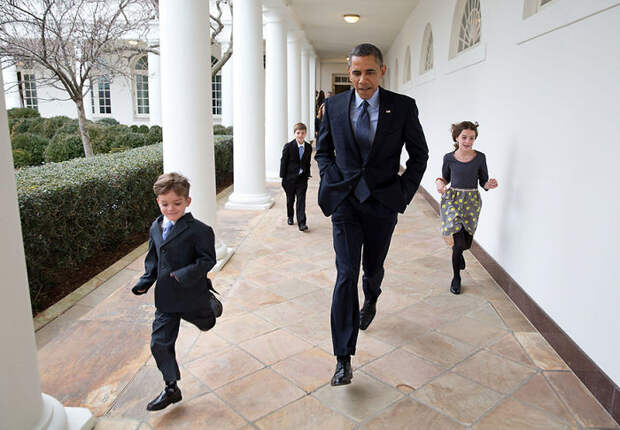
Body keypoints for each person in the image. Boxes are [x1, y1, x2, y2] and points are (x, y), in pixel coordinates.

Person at [315, 43, 428, 386]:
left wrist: (403, 192)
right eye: (355, 72)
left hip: (381, 204)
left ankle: (373, 296)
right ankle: (343, 358)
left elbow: (420, 155)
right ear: (348, 73)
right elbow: (322, 153)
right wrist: (333, 181)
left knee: (372, 269)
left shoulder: (402, 107)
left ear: (382, 71)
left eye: (369, 71)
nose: (362, 79)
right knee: (346, 274)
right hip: (346, 204)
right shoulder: (333, 106)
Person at [131, 172, 222, 411]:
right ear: (158, 202)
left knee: (207, 323)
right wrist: (145, 280)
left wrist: (183, 275)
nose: (170, 209)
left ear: (187, 202)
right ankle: (171, 388)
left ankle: (209, 304)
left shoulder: (200, 230)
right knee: (159, 343)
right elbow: (153, 258)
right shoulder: (155, 227)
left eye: (177, 203)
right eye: (165, 204)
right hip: (167, 299)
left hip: (191, 294)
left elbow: (207, 260)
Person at [435, 121, 498, 294]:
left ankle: (460, 253)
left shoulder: (480, 157)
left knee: (466, 242)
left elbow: (483, 181)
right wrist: (439, 183)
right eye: (464, 137)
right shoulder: (448, 157)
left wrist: (488, 184)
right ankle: (456, 278)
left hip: (471, 201)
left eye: (471, 138)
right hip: (452, 200)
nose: (468, 141)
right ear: (456, 137)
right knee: (457, 241)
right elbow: (444, 178)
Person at [280, 122, 312, 231]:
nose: (300, 135)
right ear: (294, 133)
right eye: (298, 133)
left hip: (302, 179)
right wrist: (283, 178)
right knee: (290, 200)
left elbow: (307, 162)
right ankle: (290, 216)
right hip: (289, 179)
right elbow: (283, 162)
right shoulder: (288, 146)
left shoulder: (308, 147)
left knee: (301, 201)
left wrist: (307, 174)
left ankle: (302, 223)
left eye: (302, 133)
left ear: (305, 134)